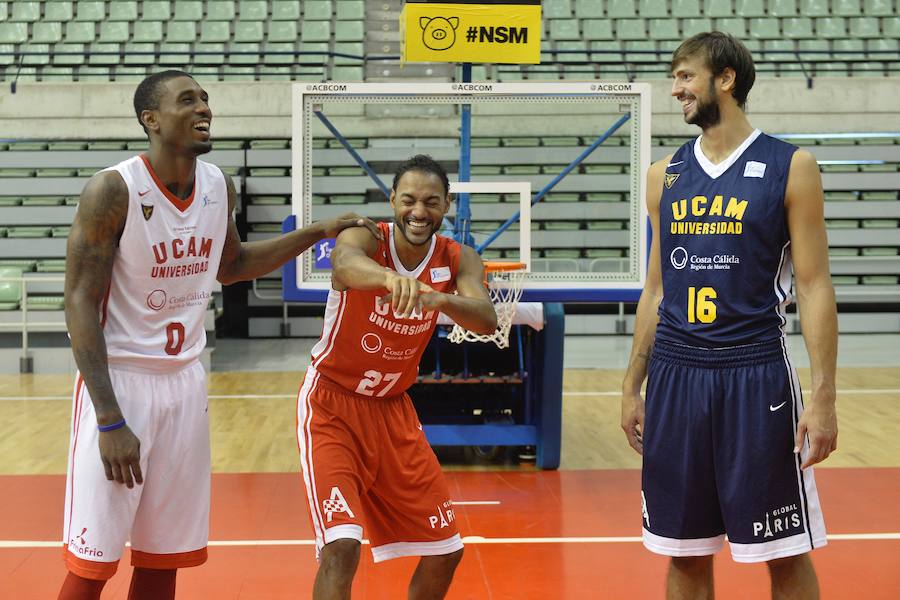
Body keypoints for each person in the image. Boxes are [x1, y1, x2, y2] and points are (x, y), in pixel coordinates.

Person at [58, 70, 380, 600]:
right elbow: (78, 303)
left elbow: (231, 264)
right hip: (122, 382)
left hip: (185, 383)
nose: (204, 107)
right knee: (94, 563)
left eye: (206, 98)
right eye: (188, 100)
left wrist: (317, 232)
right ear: (151, 119)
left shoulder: (216, 185)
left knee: (164, 558)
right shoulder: (112, 190)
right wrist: (110, 417)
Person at [620, 33, 838, 599]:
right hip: (675, 373)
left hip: (755, 372)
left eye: (685, 76)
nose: (675, 90)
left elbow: (814, 286)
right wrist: (630, 385)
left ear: (725, 79)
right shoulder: (662, 175)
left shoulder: (792, 166)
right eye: (674, 79)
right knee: (685, 554)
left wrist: (824, 396)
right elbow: (655, 289)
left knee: (784, 551)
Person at [297, 155, 497, 599]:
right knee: (342, 547)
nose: (418, 211)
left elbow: (486, 317)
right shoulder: (367, 236)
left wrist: (439, 300)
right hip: (331, 404)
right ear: (392, 200)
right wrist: (390, 280)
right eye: (408, 200)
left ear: (447, 204)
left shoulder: (459, 257)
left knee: (447, 551)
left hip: (394, 412)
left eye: (430, 201)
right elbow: (344, 265)